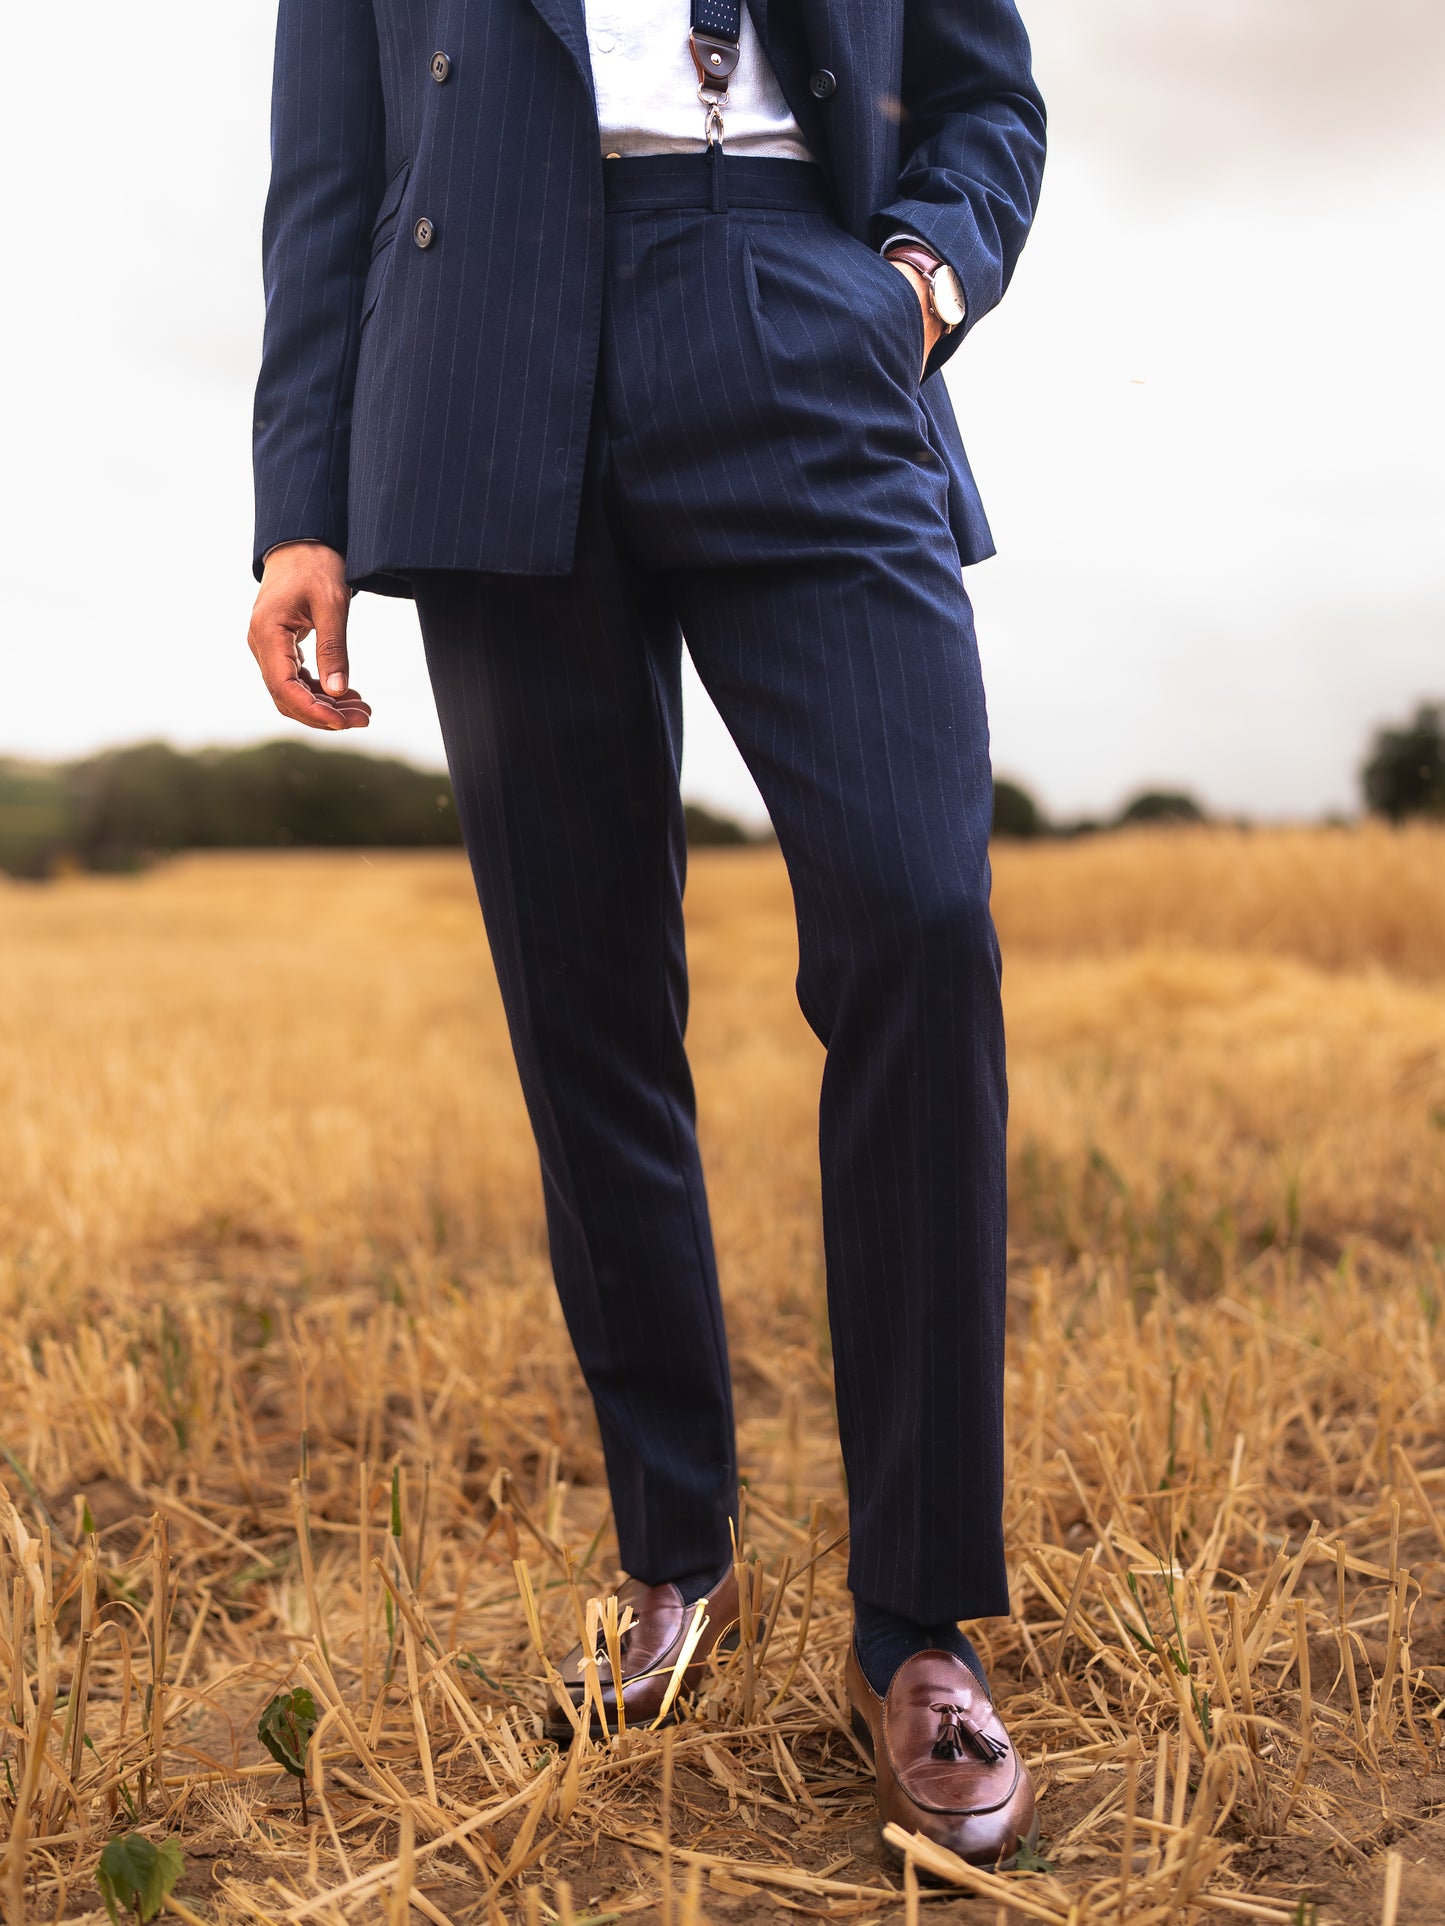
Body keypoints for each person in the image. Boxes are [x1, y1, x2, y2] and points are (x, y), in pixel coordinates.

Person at [247, 0, 1045, 1869]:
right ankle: (672, 1551)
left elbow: (986, 87)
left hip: (792, 289)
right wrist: (303, 503)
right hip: (478, 344)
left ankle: (917, 1618)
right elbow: (326, 177)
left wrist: (915, 282)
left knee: (923, 927)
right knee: (585, 995)